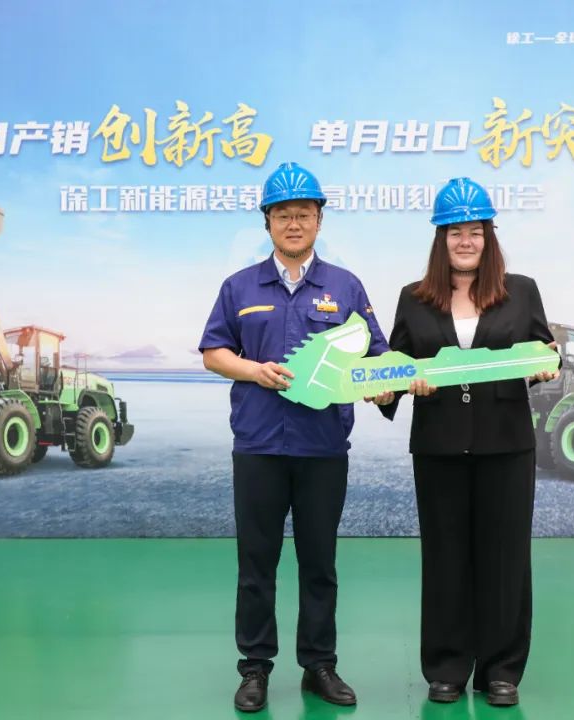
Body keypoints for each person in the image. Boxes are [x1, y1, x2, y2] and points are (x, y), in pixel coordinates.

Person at [199, 161, 389, 713]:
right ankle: (255, 668)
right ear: (267, 222)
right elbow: (214, 352)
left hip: (322, 448)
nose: (294, 223)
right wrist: (253, 370)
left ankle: (319, 665)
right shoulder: (239, 287)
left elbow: (376, 354)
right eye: (283, 214)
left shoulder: (345, 286)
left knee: (319, 563)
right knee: (256, 564)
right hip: (258, 446)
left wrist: (382, 385)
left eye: (304, 214)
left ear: (319, 220)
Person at [370, 177, 559, 707]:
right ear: (441, 238)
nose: (465, 241)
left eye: (475, 231)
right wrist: (390, 388)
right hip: (439, 446)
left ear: (489, 236)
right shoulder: (414, 298)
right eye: (455, 232)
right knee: (445, 557)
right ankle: (447, 667)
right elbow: (396, 364)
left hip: (507, 445)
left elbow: (545, 348)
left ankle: (501, 670)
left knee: (505, 558)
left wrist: (548, 364)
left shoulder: (522, 290)